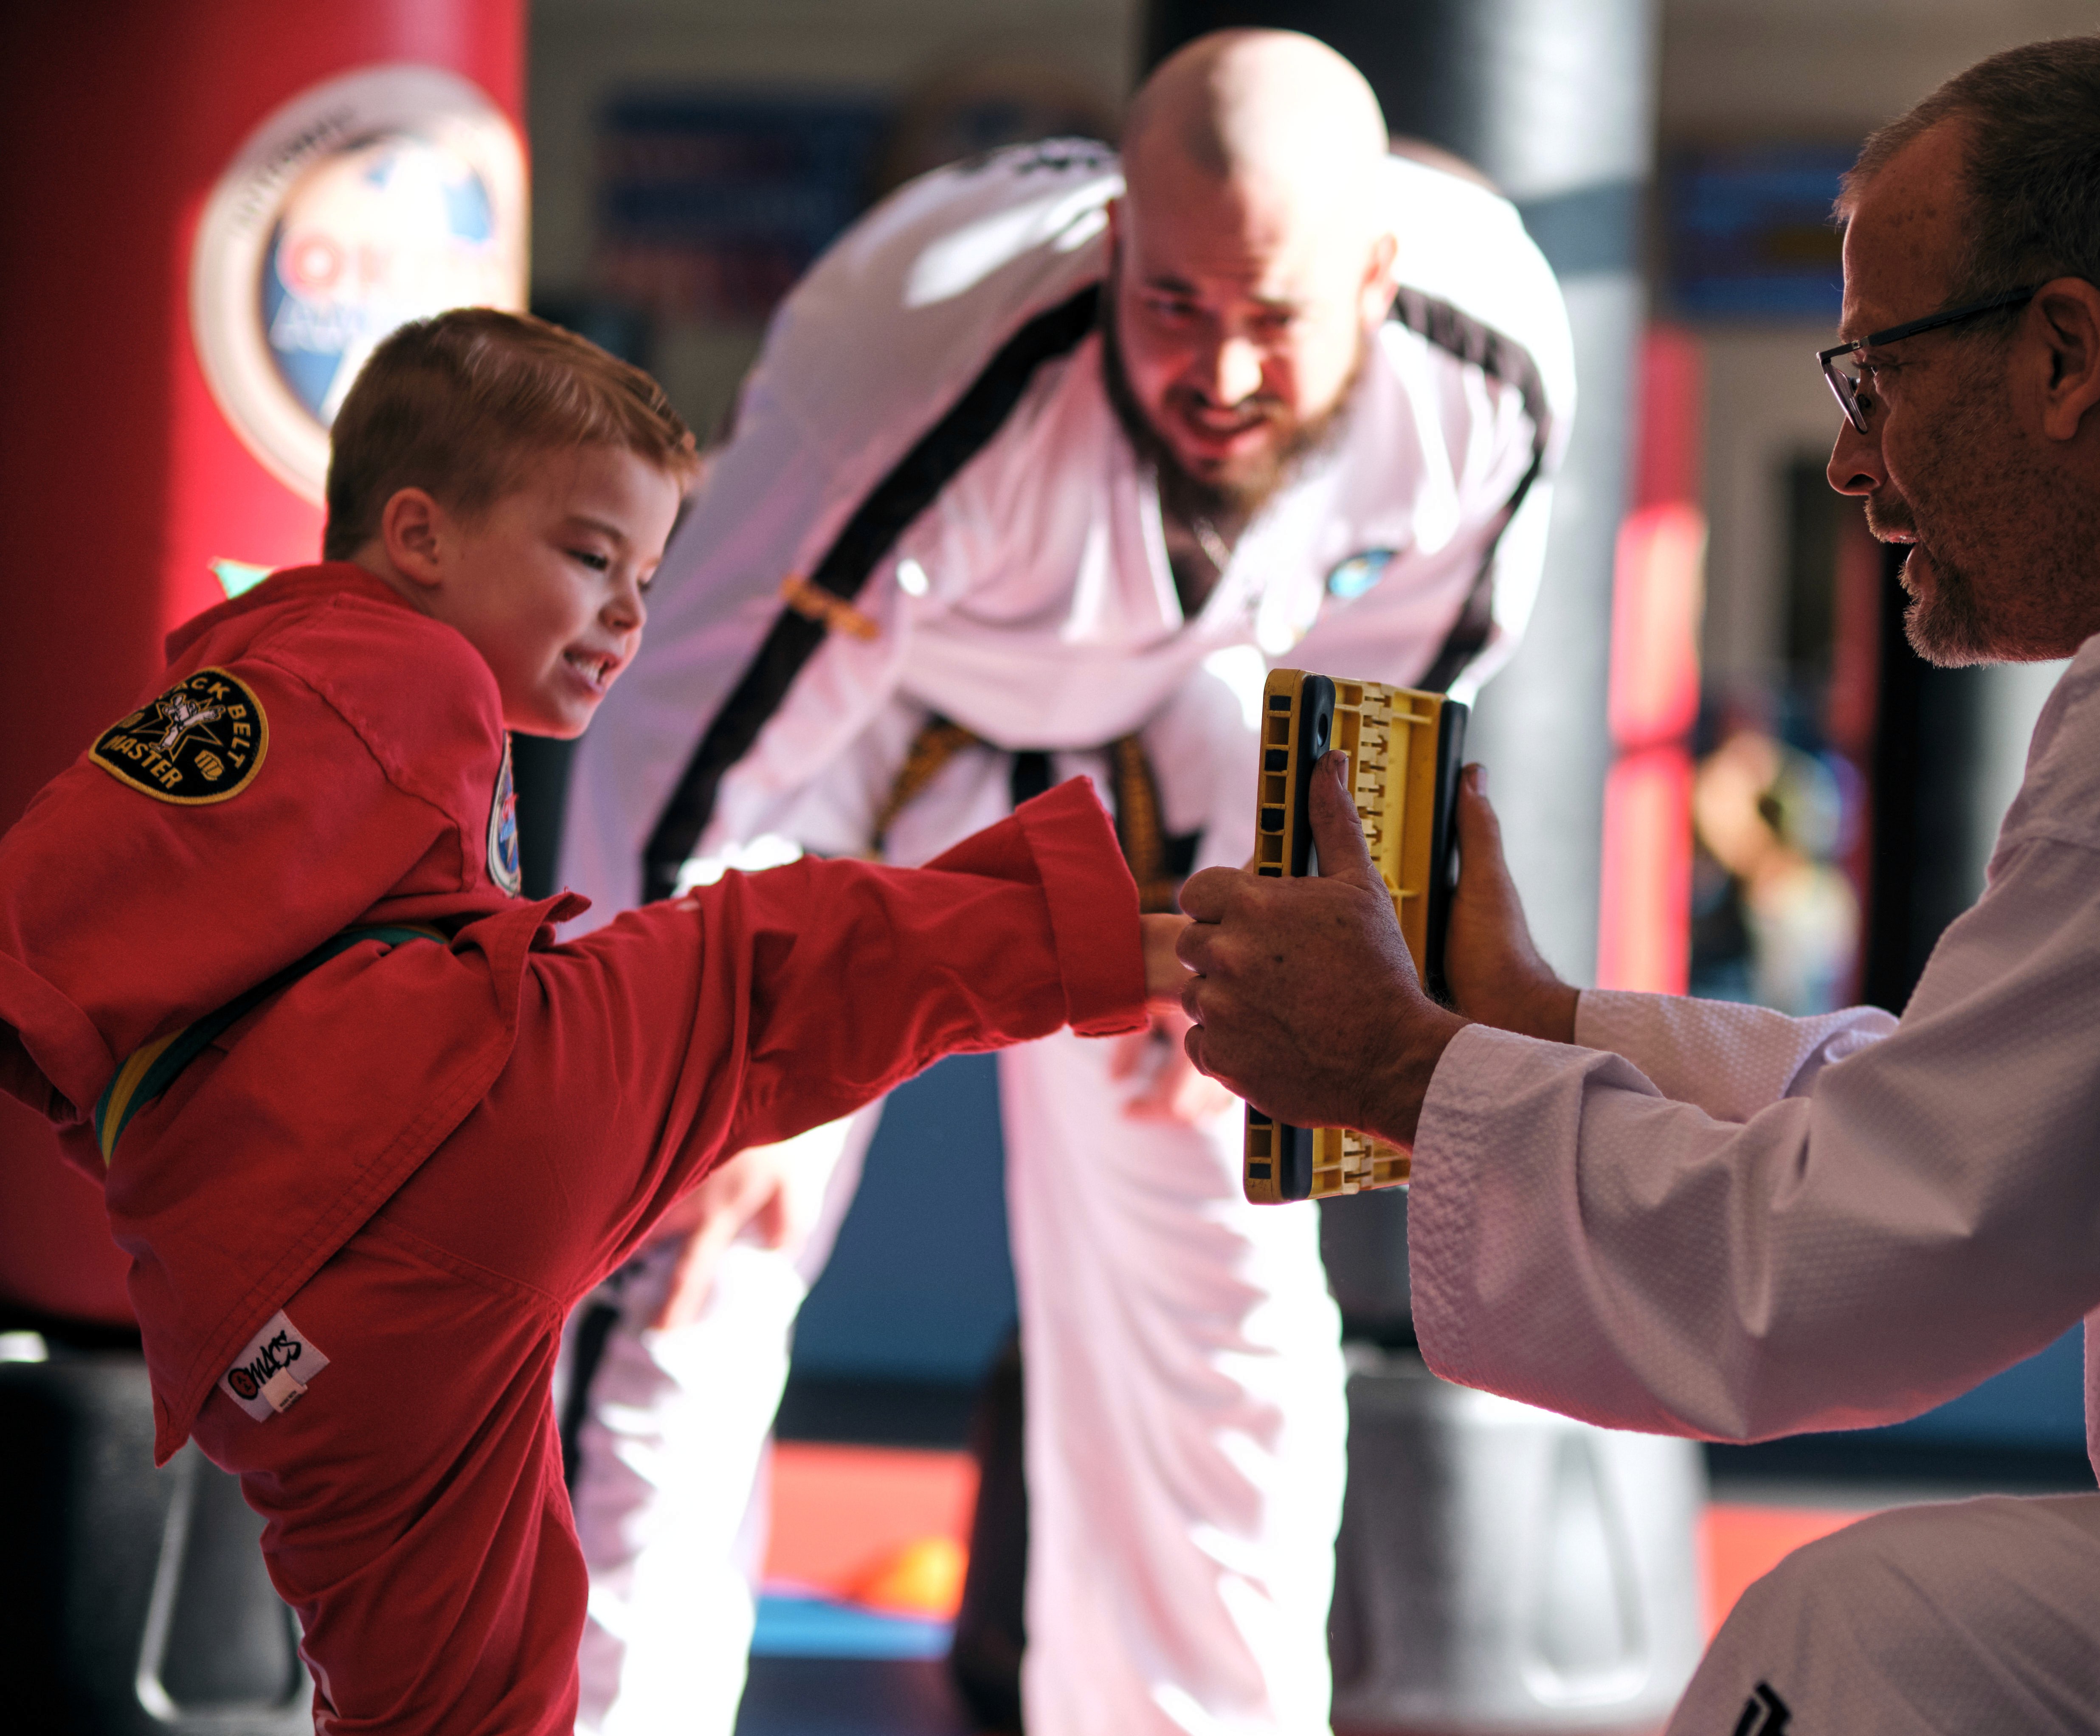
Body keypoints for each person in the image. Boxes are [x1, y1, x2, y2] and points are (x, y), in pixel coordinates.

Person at [553, 28, 1573, 1736]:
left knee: (1235, 1269)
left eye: (1272, 321)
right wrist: (686, 1071)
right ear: (1113, 243)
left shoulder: (1487, 379)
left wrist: (1305, 1005)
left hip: (1177, 715)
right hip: (850, 729)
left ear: (1377, 278)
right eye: (1171, 306)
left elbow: (1382, 710)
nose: (1222, 372)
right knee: (688, 1259)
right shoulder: (899, 376)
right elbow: (690, 735)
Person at [0, 308, 1187, 1735]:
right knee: (773, 959)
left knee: (461, 1692)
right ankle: (1160, 938)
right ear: (421, 536)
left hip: (277, 1345)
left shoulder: (352, 690)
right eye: (587, 555)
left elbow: (96, 975)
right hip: (428, 1152)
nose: (630, 613)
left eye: (647, 573)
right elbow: (59, 892)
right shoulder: (357, 660)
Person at [1178, 33, 2100, 1736]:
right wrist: (1540, 1027)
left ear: (2063, 353)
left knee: (1860, 1638)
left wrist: (1395, 1071)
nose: (1853, 466)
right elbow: (1947, 1130)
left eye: (1878, 380)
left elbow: (1856, 1256)